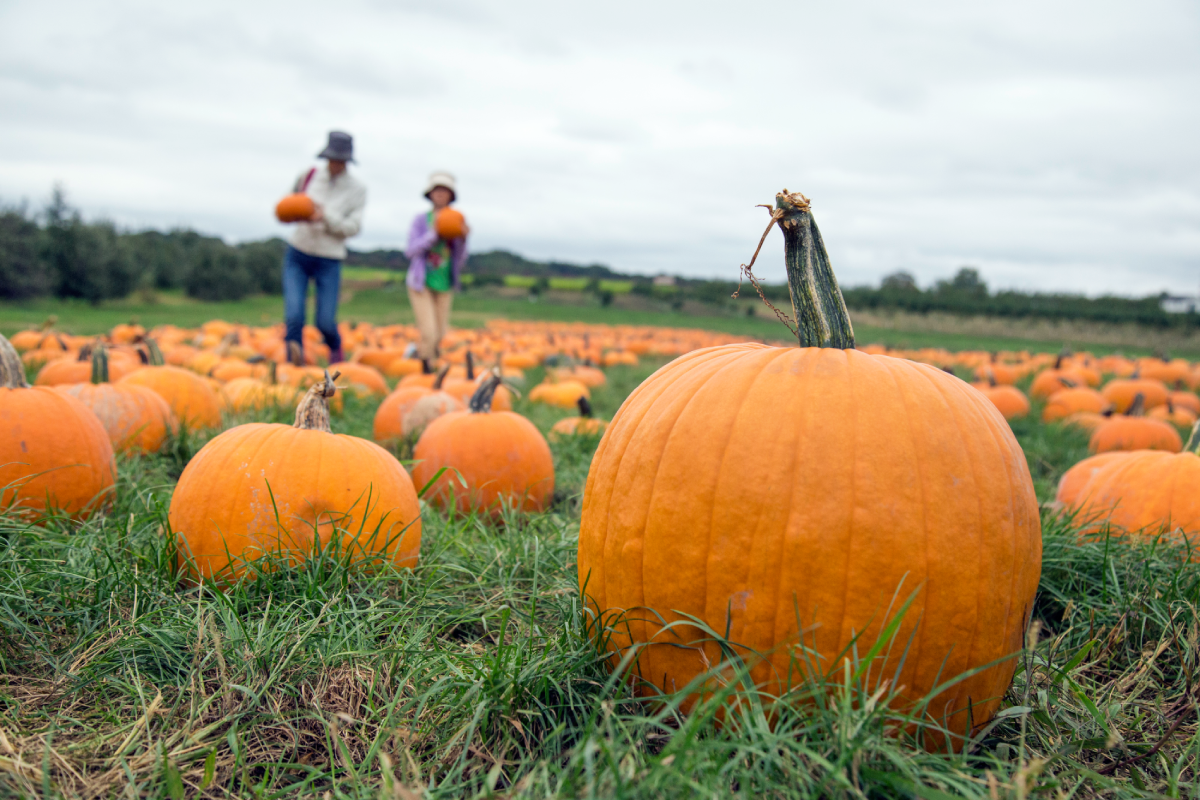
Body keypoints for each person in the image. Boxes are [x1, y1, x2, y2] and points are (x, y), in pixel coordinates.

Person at [283, 131, 366, 365]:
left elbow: (353, 227)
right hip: (299, 251)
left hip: (329, 258)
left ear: (347, 162)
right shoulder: (308, 177)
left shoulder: (357, 189)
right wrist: (296, 213)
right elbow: (291, 204)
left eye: (340, 160)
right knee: (294, 316)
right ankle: (294, 365)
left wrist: (325, 217)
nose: (335, 164)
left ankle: (335, 349)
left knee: (326, 322)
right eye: (332, 159)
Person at [406, 171, 469, 361]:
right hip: (421, 283)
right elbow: (410, 251)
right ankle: (426, 372)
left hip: (444, 282)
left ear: (451, 195)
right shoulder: (420, 220)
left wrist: (463, 239)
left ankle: (418, 358)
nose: (441, 194)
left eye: (445, 190)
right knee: (429, 333)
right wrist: (432, 235)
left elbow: (460, 259)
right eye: (437, 190)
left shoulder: (457, 220)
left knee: (440, 335)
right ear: (430, 194)